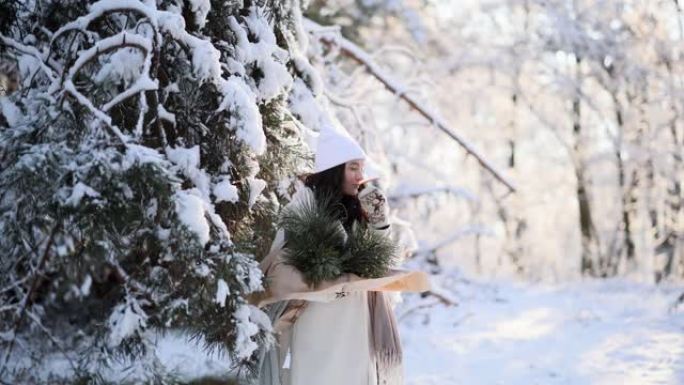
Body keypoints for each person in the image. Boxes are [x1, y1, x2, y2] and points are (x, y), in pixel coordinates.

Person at [254, 124, 429, 385]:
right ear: (335, 171)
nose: (361, 176)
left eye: (362, 167)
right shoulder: (303, 205)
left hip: (357, 319)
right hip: (316, 316)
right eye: (353, 168)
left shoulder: (360, 209)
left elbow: (383, 262)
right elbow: (281, 260)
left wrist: (380, 223)